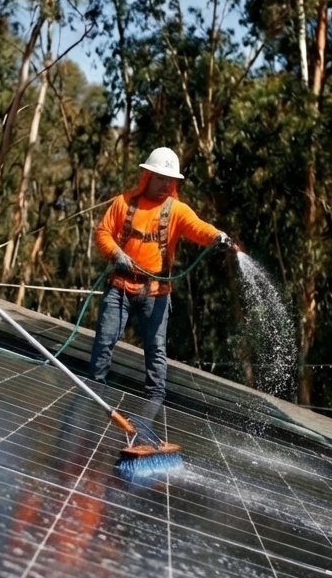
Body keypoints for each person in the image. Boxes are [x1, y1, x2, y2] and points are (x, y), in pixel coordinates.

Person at [89, 147, 233, 402]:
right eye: (160, 178)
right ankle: (94, 392)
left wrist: (217, 236)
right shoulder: (124, 202)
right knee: (105, 339)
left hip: (156, 292)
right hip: (120, 285)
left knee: (155, 350)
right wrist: (116, 254)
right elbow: (103, 232)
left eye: (170, 179)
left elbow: (199, 228)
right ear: (147, 176)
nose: (165, 184)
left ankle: (155, 402)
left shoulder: (176, 210)